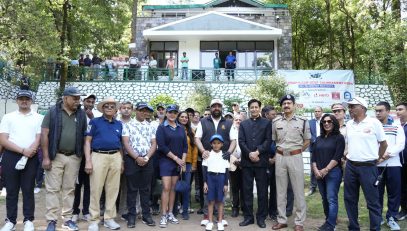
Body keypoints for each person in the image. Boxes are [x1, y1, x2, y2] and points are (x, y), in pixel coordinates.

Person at [41, 87, 87, 231]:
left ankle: (67, 219)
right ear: (65, 98)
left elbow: (85, 136)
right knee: (52, 189)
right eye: (75, 98)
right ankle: (51, 221)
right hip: (56, 156)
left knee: (70, 189)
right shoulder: (53, 112)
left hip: (74, 157)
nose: (78, 101)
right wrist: (46, 157)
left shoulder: (81, 114)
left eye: (79, 98)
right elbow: (44, 135)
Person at [0, 90, 43, 231]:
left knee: (28, 189)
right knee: (11, 190)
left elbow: (38, 138)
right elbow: (3, 140)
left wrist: (29, 152)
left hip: (31, 158)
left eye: (27, 99)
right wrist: (23, 151)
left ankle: (28, 220)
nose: (24, 101)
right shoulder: (8, 117)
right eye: (21, 98)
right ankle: (11, 221)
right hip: (11, 156)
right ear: (17, 101)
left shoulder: (38, 117)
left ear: (31, 101)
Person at [343, 97, 388, 230]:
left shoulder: (374, 123)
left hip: (368, 167)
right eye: (349, 106)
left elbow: (384, 144)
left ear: (362, 107)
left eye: (352, 106)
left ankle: (375, 228)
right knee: (349, 200)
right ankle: (353, 227)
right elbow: (349, 142)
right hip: (351, 166)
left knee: (373, 202)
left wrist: (378, 159)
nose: (349, 109)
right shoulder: (349, 124)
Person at [195, 99, 236, 227]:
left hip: (223, 160)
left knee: (221, 188)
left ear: (221, 108)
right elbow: (197, 138)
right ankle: (207, 216)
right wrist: (202, 151)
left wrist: (229, 152)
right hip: (208, 160)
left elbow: (234, 140)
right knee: (207, 188)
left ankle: (220, 217)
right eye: (214, 106)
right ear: (211, 108)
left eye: (219, 106)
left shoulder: (229, 122)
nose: (216, 108)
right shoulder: (203, 121)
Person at [272, 94, 310, 231]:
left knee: (298, 190)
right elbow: (275, 140)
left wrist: (297, 151)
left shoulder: (303, 121)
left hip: (295, 157)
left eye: (289, 103)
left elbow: (307, 140)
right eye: (284, 103)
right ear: (281, 106)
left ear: (294, 105)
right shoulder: (276, 122)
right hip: (280, 157)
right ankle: (281, 220)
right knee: (280, 191)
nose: (286, 105)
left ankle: (299, 222)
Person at [85, 97, 123, 231]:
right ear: (102, 108)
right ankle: (94, 220)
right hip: (98, 156)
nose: (109, 108)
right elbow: (87, 141)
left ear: (115, 109)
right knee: (96, 189)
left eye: (112, 106)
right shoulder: (95, 122)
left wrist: (121, 161)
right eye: (106, 106)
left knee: (113, 189)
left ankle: (109, 218)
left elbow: (120, 145)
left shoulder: (119, 124)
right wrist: (88, 160)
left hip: (115, 157)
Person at [122, 102, 157, 228]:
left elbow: (154, 143)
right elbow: (126, 143)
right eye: (142, 110)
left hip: (148, 160)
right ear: (136, 111)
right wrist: (136, 157)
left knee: (145, 189)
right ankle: (131, 215)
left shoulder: (150, 126)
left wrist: (146, 157)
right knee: (132, 189)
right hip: (132, 160)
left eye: (146, 111)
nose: (144, 113)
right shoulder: (127, 125)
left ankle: (146, 215)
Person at [238, 99, 272, 228]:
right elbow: (241, 141)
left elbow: (268, 141)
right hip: (247, 162)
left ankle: (261, 217)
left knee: (262, 191)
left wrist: (257, 152)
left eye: (256, 107)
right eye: (251, 107)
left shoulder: (267, 123)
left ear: (259, 108)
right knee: (246, 191)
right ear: (249, 109)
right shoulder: (243, 124)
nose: (253, 109)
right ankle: (248, 217)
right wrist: (250, 154)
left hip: (261, 162)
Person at [311, 114, 345, 231]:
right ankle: (328, 220)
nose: (326, 123)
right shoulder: (318, 139)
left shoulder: (339, 138)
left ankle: (331, 225)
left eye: (329, 121)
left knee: (331, 198)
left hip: (333, 173)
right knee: (324, 198)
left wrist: (325, 170)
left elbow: (337, 156)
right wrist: (316, 170)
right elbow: (313, 156)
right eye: (324, 122)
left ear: (334, 122)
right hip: (319, 174)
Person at [156, 104, 187, 228]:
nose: (172, 114)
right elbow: (162, 146)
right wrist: (176, 158)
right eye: (170, 112)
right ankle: (163, 214)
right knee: (166, 188)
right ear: (166, 113)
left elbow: (185, 146)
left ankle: (170, 213)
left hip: (178, 162)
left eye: (175, 112)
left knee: (174, 188)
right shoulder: (161, 128)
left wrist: (182, 161)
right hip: (166, 161)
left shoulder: (180, 128)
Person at [375, 101, 405, 230]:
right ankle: (378, 217)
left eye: (380, 110)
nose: (378, 113)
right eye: (376, 111)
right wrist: (377, 159)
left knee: (394, 193)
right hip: (376, 166)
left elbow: (400, 145)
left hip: (393, 165)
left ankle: (391, 217)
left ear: (387, 111)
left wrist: (384, 156)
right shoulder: (373, 127)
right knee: (377, 193)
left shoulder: (397, 127)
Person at [262, 106, 293, 221]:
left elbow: (283, 143)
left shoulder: (280, 127)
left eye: (276, 114)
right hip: (264, 160)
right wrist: (267, 159)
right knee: (263, 188)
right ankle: (263, 211)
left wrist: (275, 157)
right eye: (273, 114)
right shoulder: (263, 127)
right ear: (267, 115)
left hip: (278, 160)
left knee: (276, 189)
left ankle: (273, 211)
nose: (275, 116)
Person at [71, 94, 98, 223]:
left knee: (89, 185)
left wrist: (92, 118)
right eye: (88, 101)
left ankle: (86, 211)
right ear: (84, 101)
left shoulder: (97, 115)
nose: (90, 103)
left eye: (92, 101)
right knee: (77, 184)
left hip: (92, 155)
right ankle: (75, 211)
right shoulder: (77, 113)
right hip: (78, 155)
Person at [202, 134, 229, 231]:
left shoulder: (225, 155)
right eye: (214, 143)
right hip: (210, 178)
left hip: (221, 178)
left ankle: (220, 221)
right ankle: (210, 222)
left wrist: (226, 184)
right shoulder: (207, 154)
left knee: (220, 201)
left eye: (218, 143)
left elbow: (227, 171)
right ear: (211, 144)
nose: (216, 145)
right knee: (211, 201)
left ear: (222, 144)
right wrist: (205, 182)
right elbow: (204, 169)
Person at [177, 111, 198, 220]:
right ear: (178, 117)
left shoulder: (191, 131)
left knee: (186, 187)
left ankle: (185, 210)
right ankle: (174, 209)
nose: (184, 119)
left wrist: (194, 164)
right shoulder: (174, 128)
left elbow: (195, 149)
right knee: (174, 187)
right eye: (182, 117)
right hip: (175, 161)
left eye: (186, 117)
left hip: (188, 163)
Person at [229, 114, 244, 218]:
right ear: (233, 121)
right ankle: (235, 208)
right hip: (232, 161)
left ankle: (244, 207)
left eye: (240, 119)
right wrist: (234, 159)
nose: (238, 121)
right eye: (236, 119)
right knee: (234, 187)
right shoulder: (230, 130)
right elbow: (227, 144)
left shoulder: (246, 129)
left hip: (245, 162)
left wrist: (242, 160)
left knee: (244, 187)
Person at [307, 106, 323, 196]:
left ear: (322, 112)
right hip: (313, 148)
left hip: (324, 148)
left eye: (318, 111)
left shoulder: (325, 121)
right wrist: (315, 141)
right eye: (315, 111)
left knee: (324, 166)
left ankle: (323, 186)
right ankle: (313, 187)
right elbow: (308, 134)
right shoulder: (310, 122)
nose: (317, 112)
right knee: (313, 168)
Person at [396, 102, 407, 220]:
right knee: (402, 188)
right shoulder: (395, 125)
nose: (398, 111)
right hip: (399, 163)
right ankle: (403, 210)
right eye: (397, 109)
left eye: (401, 109)